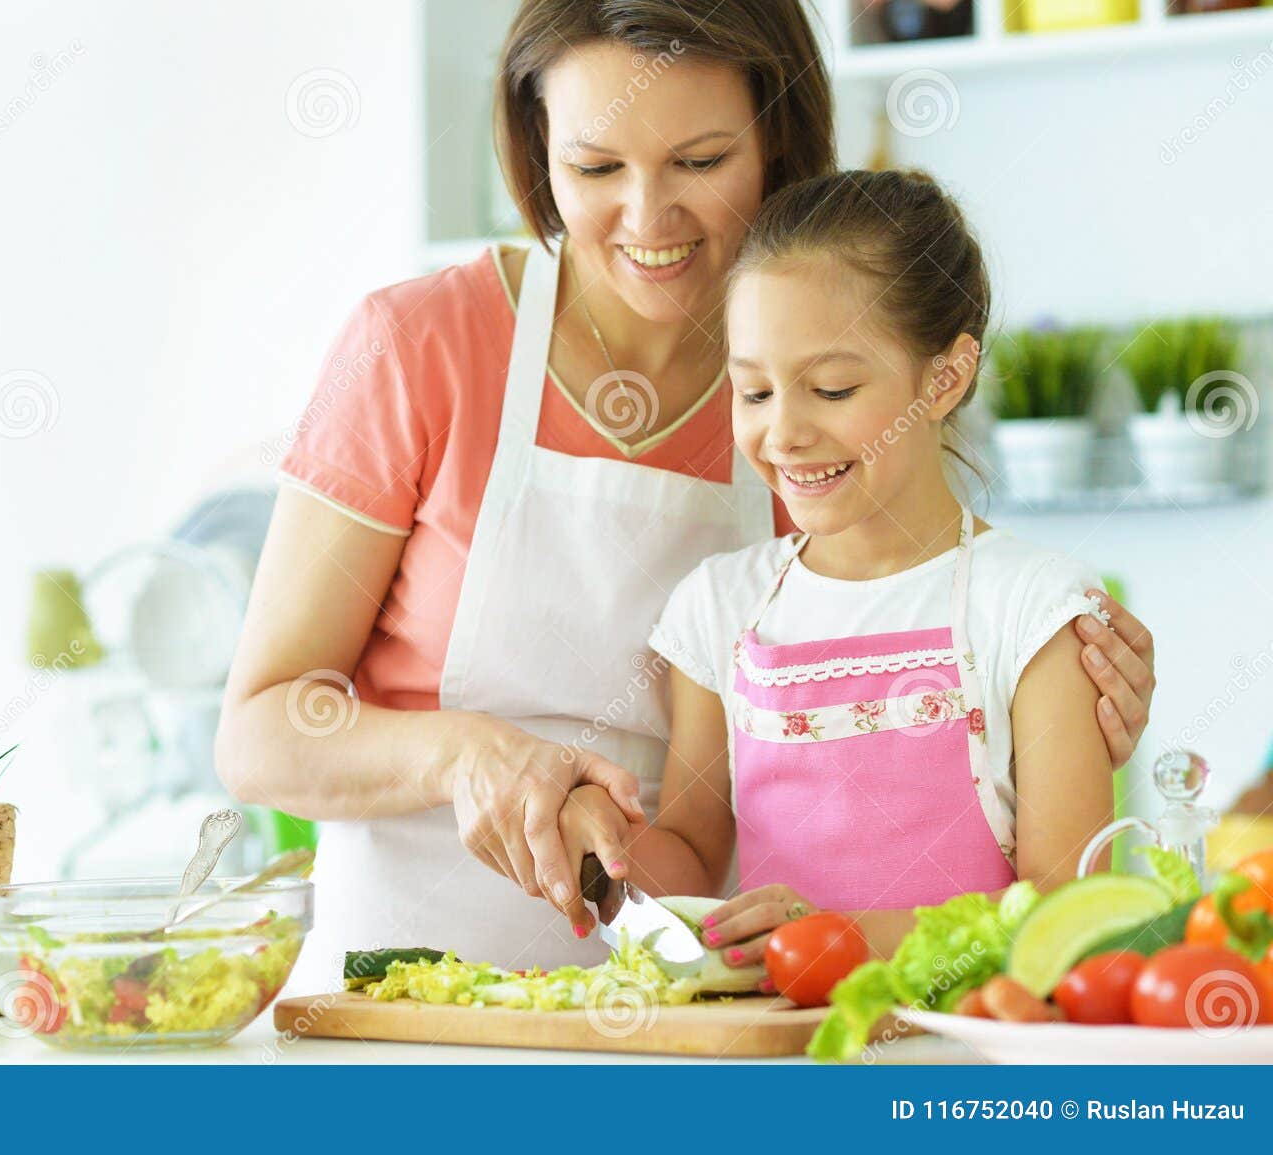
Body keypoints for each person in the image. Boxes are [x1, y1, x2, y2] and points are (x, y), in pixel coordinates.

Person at [216, 2, 1157, 997]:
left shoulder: (821, 389)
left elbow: (908, 696)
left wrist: (1038, 695)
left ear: (776, 144)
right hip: (415, 1000)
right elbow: (262, 731)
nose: (646, 218)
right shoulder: (416, 349)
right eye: (594, 168)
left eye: (700, 162)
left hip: (718, 1011)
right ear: (538, 153)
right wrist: (472, 758)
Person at [559, 169, 1121, 961]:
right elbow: (690, 851)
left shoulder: (1034, 609)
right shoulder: (722, 606)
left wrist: (846, 940)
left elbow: (1070, 917)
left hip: (964, 1063)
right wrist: (594, 840)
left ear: (946, 378)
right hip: (780, 1063)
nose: (782, 433)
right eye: (753, 392)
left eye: (831, 388)